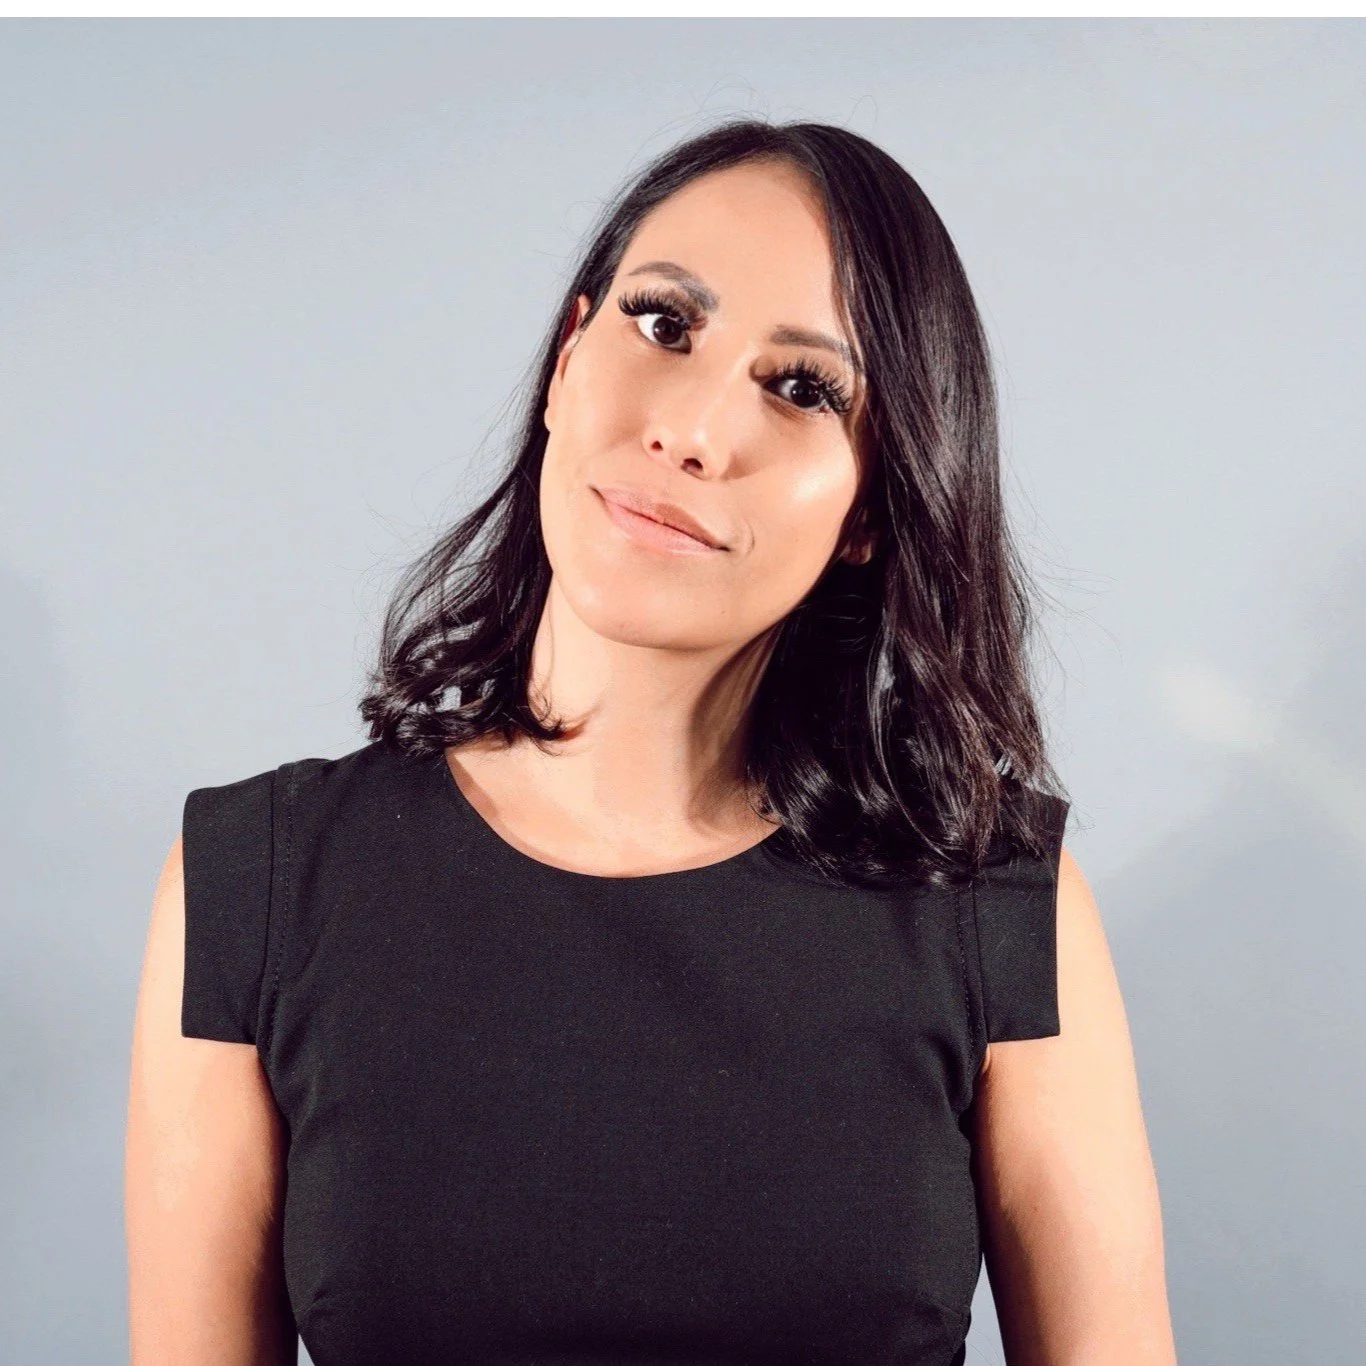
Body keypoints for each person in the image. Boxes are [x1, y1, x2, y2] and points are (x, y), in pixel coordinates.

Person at [125, 118, 1177, 1365]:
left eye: (801, 388)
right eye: (665, 324)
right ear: (570, 357)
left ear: (868, 513)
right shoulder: (253, 881)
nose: (689, 428)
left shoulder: (999, 904)